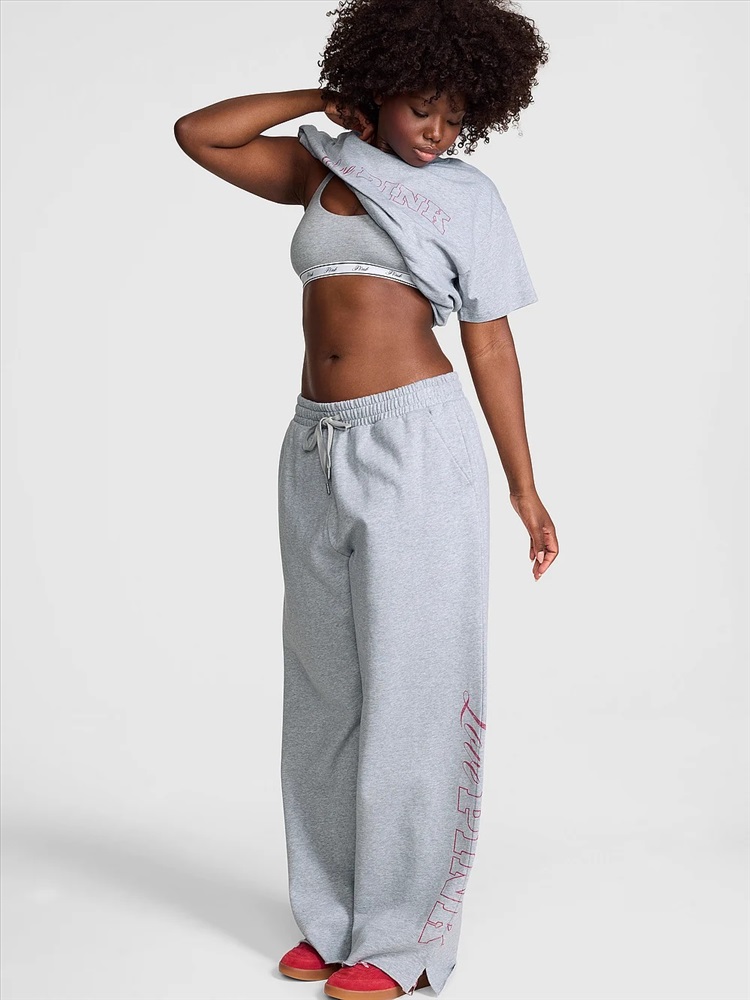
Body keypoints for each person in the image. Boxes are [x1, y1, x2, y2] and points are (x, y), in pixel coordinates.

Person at [174, 1, 557, 996]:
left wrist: (524, 487)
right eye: (422, 107)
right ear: (379, 90)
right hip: (315, 445)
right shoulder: (322, 169)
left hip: (417, 446)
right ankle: (334, 915)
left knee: (414, 692)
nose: (438, 132)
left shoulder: (467, 198)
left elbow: (491, 343)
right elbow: (201, 133)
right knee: (327, 693)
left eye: (456, 117)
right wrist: (325, 100)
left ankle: (401, 939)